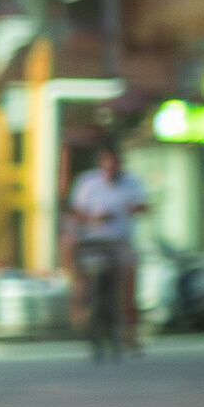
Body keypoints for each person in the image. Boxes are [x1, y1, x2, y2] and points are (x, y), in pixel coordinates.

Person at [65, 141, 151, 354]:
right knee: (75, 261)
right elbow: (75, 212)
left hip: (119, 242)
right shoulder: (88, 182)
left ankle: (130, 332)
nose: (110, 168)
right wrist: (93, 218)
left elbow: (144, 206)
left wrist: (136, 208)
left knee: (129, 279)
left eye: (114, 163)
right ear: (101, 163)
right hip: (93, 242)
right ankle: (80, 308)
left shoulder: (132, 183)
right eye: (106, 163)